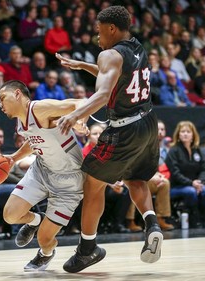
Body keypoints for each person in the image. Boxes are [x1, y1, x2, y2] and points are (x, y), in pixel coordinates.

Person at [56, 6, 163, 272]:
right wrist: (83, 66)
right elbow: (117, 77)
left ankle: (87, 249)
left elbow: (104, 94)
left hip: (124, 129)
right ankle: (152, 224)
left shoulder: (109, 54)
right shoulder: (138, 48)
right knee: (134, 178)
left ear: (111, 28)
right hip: (148, 123)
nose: (96, 35)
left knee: (93, 182)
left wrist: (75, 114)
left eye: (99, 30)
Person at [0, 80, 85, 271]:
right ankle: (35, 220)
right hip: (41, 170)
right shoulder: (21, 122)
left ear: (18, 94)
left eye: (2, 98)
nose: (0, 105)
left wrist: (79, 120)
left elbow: (79, 103)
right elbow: (35, 141)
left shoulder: (39, 108)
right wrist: (13, 158)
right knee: (10, 216)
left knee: (44, 239)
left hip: (69, 181)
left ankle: (46, 253)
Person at [165, 121, 205, 228]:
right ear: (178, 134)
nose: (185, 134)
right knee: (190, 192)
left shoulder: (197, 150)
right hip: (177, 186)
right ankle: (193, 219)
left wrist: (200, 182)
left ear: (193, 135)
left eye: (188, 132)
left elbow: (204, 169)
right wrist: (191, 183)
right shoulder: (174, 151)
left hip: (196, 184)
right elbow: (175, 173)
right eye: (182, 131)